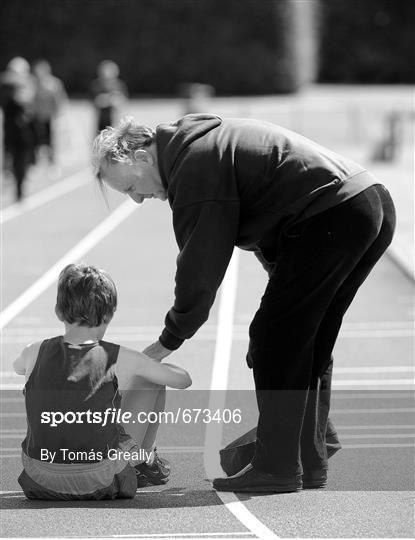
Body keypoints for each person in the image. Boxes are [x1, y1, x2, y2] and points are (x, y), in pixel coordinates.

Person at [92, 114, 396, 493]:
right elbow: (273, 216)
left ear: (141, 158)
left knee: (274, 340)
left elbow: (201, 263)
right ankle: (308, 459)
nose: (137, 199)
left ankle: (278, 468)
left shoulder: (193, 165)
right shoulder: (200, 147)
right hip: (366, 202)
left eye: (131, 187)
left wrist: (171, 337)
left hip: (335, 214)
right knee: (305, 340)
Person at [13, 263, 191, 500]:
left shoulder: (34, 350)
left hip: (40, 478)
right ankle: (143, 460)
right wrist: (149, 362)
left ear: (58, 311)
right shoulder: (118, 356)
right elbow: (183, 380)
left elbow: (18, 368)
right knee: (151, 380)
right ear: (108, 314)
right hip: (100, 478)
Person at [0, 57, 36, 201]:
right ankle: (10, 180)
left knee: (21, 161)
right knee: (11, 159)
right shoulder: (6, 88)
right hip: (11, 131)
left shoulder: (28, 85)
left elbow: (31, 108)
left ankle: (20, 188)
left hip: (24, 132)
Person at [32, 59, 67, 166]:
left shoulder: (54, 83)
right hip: (37, 117)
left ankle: (52, 163)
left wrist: (58, 116)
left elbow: (60, 100)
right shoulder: (34, 83)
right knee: (36, 141)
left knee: (51, 141)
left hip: (50, 117)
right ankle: (36, 162)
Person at [89, 60, 128, 135]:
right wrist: (109, 99)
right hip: (101, 122)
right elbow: (95, 101)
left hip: (116, 121)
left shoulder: (119, 85)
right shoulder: (96, 85)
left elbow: (123, 101)